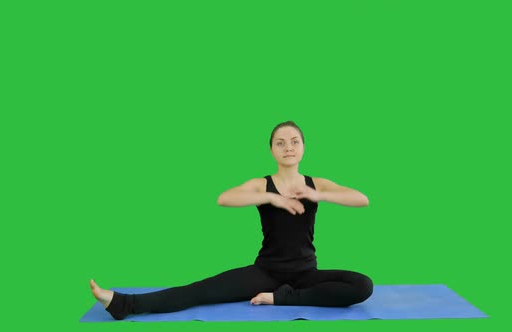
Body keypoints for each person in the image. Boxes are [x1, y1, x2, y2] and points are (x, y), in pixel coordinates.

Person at [90, 120, 374, 320]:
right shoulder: (262, 184)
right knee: (198, 291)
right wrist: (271, 198)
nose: (288, 147)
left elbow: (362, 199)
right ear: (272, 150)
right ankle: (122, 304)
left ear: (303, 147)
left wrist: (318, 194)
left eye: (294, 141)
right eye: (281, 142)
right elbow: (224, 198)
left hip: (305, 274)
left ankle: (280, 298)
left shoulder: (317, 183)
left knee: (363, 286)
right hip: (265, 272)